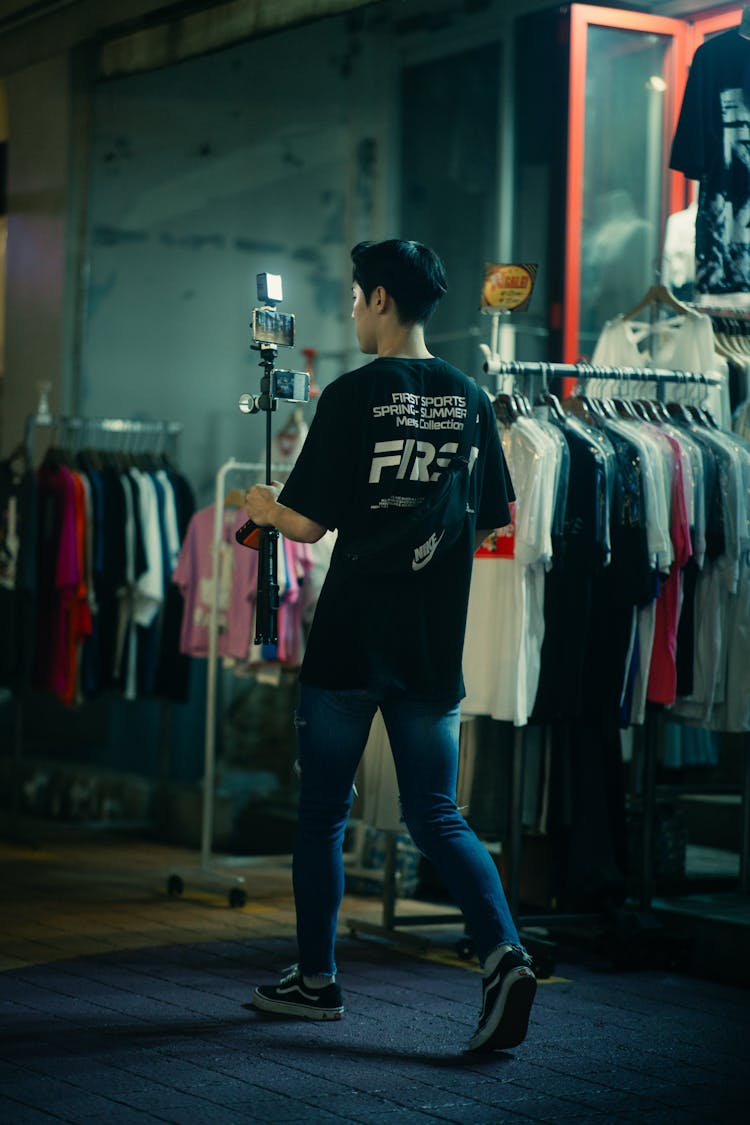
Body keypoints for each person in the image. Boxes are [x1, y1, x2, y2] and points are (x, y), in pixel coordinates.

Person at [243, 239, 536, 1052]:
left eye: (353, 296)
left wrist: (264, 506)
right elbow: (488, 520)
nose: (349, 309)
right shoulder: (472, 397)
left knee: (322, 816)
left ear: (378, 300)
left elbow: (306, 523)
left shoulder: (351, 394)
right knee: (437, 812)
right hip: (431, 646)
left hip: (349, 644)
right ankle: (506, 955)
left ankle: (315, 980)